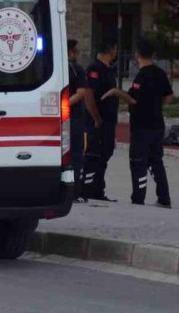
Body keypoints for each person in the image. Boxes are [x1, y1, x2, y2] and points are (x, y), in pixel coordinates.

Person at [105, 39, 173, 207]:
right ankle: (164, 198)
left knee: (138, 162)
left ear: (137, 55)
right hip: (157, 124)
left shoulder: (141, 76)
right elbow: (168, 96)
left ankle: (138, 198)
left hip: (141, 127)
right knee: (156, 161)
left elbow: (134, 100)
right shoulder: (160, 73)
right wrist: (156, 105)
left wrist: (116, 92)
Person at [81, 38, 120, 201]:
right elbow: (88, 95)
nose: (117, 52)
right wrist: (96, 117)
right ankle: (86, 189)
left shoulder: (108, 69)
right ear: (111, 49)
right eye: (116, 49)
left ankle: (98, 190)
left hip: (109, 121)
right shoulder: (94, 69)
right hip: (97, 121)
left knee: (105, 152)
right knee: (93, 155)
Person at [67, 39, 100, 200]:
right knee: (76, 155)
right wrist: (62, 106)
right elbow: (81, 93)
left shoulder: (51, 67)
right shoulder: (77, 69)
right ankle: (75, 192)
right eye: (76, 50)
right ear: (72, 51)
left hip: (54, 118)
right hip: (73, 118)